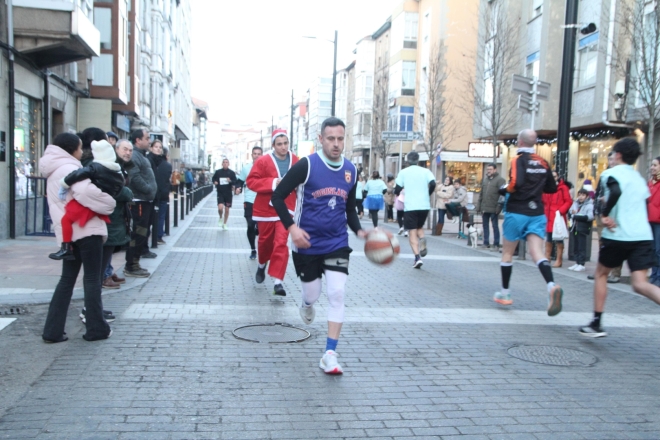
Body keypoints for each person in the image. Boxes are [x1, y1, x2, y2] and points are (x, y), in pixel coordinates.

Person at [271, 117, 367, 374]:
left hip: (337, 242)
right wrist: (292, 228)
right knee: (312, 294)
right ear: (321, 139)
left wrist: (359, 230)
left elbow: (349, 209)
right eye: (331, 139)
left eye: (340, 139)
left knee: (337, 294)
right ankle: (306, 303)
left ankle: (329, 354)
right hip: (306, 244)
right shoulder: (306, 165)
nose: (336, 144)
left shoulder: (351, 170)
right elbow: (277, 197)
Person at [40, 132, 115, 342]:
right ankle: (96, 328)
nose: (82, 152)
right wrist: (110, 203)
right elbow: (86, 193)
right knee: (91, 279)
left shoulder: (53, 168)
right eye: (80, 148)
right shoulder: (70, 168)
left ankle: (52, 331)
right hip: (86, 228)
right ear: (72, 149)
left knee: (66, 280)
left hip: (69, 234)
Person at [581, 138, 660, 337]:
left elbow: (616, 190)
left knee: (601, 274)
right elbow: (643, 203)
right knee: (640, 284)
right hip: (642, 235)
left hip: (618, 234)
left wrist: (605, 213)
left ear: (617, 155)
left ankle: (596, 323)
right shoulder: (639, 179)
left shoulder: (610, 173)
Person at [493, 129, 563, 317]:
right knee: (537, 253)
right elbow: (552, 188)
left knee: (507, 253)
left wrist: (504, 189)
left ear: (520, 142)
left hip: (517, 211)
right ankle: (551, 286)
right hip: (537, 213)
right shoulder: (543, 161)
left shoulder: (518, 160)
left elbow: (515, 183)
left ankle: (505, 293)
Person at [246, 129, 299, 296]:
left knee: (281, 242)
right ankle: (261, 265)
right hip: (265, 209)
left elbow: (304, 180)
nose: (283, 147)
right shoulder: (263, 161)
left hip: (286, 208)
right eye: (279, 144)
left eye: (286, 143)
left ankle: (278, 282)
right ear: (273, 145)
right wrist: (273, 182)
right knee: (265, 242)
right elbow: (251, 182)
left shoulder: (296, 160)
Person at [100, 139, 133, 291]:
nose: (128, 153)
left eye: (130, 150)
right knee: (108, 243)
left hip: (117, 211)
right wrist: (127, 193)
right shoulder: (111, 166)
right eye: (125, 149)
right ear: (116, 149)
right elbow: (115, 189)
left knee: (111, 244)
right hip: (110, 211)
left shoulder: (122, 166)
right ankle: (104, 275)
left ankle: (108, 271)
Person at [124, 128, 157, 278]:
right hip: (139, 202)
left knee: (142, 233)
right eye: (147, 138)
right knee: (138, 233)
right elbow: (134, 177)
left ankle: (135, 263)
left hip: (145, 201)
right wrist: (148, 189)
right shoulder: (134, 156)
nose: (149, 141)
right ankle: (131, 265)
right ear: (138, 140)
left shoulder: (141, 156)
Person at [394, 151, 436, 268]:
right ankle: (422, 239)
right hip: (424, 205)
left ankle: (417, 258)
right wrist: (428, 194)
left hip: (411, 206)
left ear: (407, 160)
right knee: (419, 227)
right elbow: (433, 184)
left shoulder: (403, 172)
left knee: (412, 231)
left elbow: (397, 189)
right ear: (418, 160)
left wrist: (397, 193)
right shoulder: (426, 171)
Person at [235, 146, 263, 259]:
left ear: (262, 155)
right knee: (250, 224)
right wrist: (238, 188)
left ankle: (257, 230)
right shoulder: (246, 168)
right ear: (252, 155)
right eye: (254, 154)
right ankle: (253, 250)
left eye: (259, 154)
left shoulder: (266, 167)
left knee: (260, 227)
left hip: (262, 200)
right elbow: (239, 182)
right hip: (249, 200)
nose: (256, 156)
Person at [542, 170, 572, 267]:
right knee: (548, 238)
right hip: (548, 216)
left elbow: (568, 201)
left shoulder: (563, 188)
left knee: (559, 239)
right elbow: (542, 201)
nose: (553, 178)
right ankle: (547, 257)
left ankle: (559, 260)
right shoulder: (546, 188)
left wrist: (560, 211)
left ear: (558, 177)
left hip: (558, 216)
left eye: (554, 176)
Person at [477, 164, 506, 249]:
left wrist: (499, 207)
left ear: (495, 170)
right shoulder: (485, 180)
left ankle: (496, 244)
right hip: (485, 207)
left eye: (490, 169)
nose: (488, 171)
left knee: (495, 226)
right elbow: (481, 194)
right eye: (487, 169)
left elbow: (502, 195)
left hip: (494, 207)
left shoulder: (500, 180)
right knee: (485, 226)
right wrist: (479, 206)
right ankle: (486, 243)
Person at [568, 188, 594, 272]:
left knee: (581, 246)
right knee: (576, 245)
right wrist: (572, 213)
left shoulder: (589, 205)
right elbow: (570, 211)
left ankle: (581, 264)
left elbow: (590, 216)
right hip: (575, 227)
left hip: (583, 227)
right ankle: (577, 262)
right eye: (579, 195)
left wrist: (576, 216)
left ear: (587, 196)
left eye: (583, 195)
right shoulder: (575, 203)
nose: (581, 197)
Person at [151, 142, 172, 244]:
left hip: (152, 193)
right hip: (163, 193)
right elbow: (167, 180)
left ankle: (154, 236)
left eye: (159, 147)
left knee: (151, 216)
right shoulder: (167, 165)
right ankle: (158, 236)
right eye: (156, 147)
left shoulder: (150, 161)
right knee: (161, 216)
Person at [212, 158, 237, 230]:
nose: (225, 163)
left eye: (226, 162)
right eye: (224, 162)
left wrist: (230, 181)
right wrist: (215, 182)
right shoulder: (218, 172)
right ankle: (220, 218)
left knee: (227, 209)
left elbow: (235, 181)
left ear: (228, 164)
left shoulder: (231, 173)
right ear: (222, 164)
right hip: (220, 193)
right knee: (220, 208)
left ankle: (225, 223)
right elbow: (213, 179)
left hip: (228, 194)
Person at [648, 156, 660, 286]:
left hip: (658, 222)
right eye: (652, 165)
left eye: (655, 165)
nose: (652, 167)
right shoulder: (651, 182)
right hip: (650, 220)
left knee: (658, 250)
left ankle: (659, 277)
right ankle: (654, 274)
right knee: (652, 249)